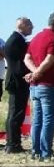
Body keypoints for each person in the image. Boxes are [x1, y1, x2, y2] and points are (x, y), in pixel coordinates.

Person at [23, 12, 54, 161]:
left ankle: (36, 151)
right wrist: (38, 73)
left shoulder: (36, 37)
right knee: (49, 119)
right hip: (50, 85)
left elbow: (27, 58)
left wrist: (34, 72)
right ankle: (45, 152)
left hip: (36, 86)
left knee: (38, 119)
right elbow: (50, 59)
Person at [5, 17, 34, 153]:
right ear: (22, 25)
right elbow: (20, 64)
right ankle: (13, 144)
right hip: (17, 81)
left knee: (15, 112)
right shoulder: (17, 40)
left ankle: (12, 142)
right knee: (16, 113)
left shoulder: (16, 39)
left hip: (16, 80)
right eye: (29, 25)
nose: (32, 27)